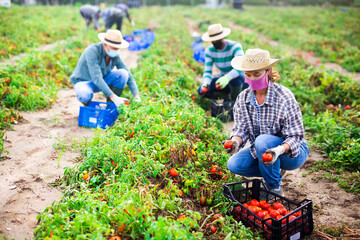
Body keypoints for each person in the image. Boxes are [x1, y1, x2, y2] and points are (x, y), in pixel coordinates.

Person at [225, 48, 309, 196]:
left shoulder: (284, 97)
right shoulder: (243, 99)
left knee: (262, 141)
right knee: (233, 164)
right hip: (263, 150)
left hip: (291, 153)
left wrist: (278, 150)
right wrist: (235, 142)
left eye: (257, 74)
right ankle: (275, 171)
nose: (252, 78)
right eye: (248, 75)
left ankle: (274, 188)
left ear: (268, 71)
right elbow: (241, 129)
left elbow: (296, 136)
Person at [70, 29, 141, 107]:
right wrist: (114, 97)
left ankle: (111, 105)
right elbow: (97, 78)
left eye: (117, 48)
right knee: (84, 95)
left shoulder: (115, 55)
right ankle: (88, 107)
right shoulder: (92, 51)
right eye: (113, 48)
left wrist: (136, 95)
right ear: (105, 44)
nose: (115, 51)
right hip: (84, 82)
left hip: (101, 81)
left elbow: (128, 74)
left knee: (123, 74)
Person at [198, 23, 248, 101]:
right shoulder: (209, 51)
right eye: (213, 40)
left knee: (235, 81)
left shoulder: (235, 46)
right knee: (201, 91)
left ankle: (236, 101)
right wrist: (206, 83)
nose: (215, 42)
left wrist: (227, 77)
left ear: (223, 37)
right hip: (223, 81)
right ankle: (227, 97)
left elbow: (240, 67)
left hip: (240, 80)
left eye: (217, 39)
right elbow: (208, 71)